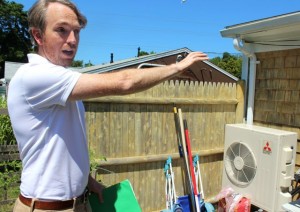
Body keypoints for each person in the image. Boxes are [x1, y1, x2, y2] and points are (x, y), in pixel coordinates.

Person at [7, 0, 209, 211]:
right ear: (38, 36)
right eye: (61, 30)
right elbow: (124, 82)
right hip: (44, 208)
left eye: (76, 31)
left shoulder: (61, 84)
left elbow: (61, 145)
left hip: (76, 203)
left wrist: (87, 182)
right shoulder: (35, 76)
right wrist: (177, 67)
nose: (72, 40)